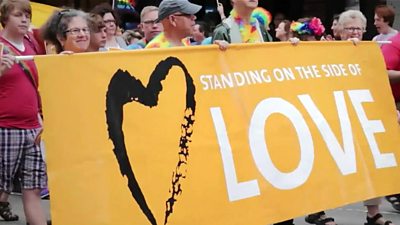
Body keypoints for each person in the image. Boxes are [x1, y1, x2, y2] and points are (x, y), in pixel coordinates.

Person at [338, 9, 395, 225]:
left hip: (365, 114)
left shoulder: (371, 51)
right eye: (350, 28)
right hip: (339, 115)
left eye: (358, 29)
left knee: (374, 163)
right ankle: (319, 210)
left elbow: (379, 83)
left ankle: (373, 214)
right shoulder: (327, 52)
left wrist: (390, 108)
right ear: (340, 31)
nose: (354, 32)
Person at [0, 0, 48, 224]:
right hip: (5, 128)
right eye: (18, 15)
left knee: (33, 189)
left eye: (27, 15)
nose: (25, 19)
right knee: (1, 190)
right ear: (5, 19)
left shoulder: (31, 43)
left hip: (33, 128)